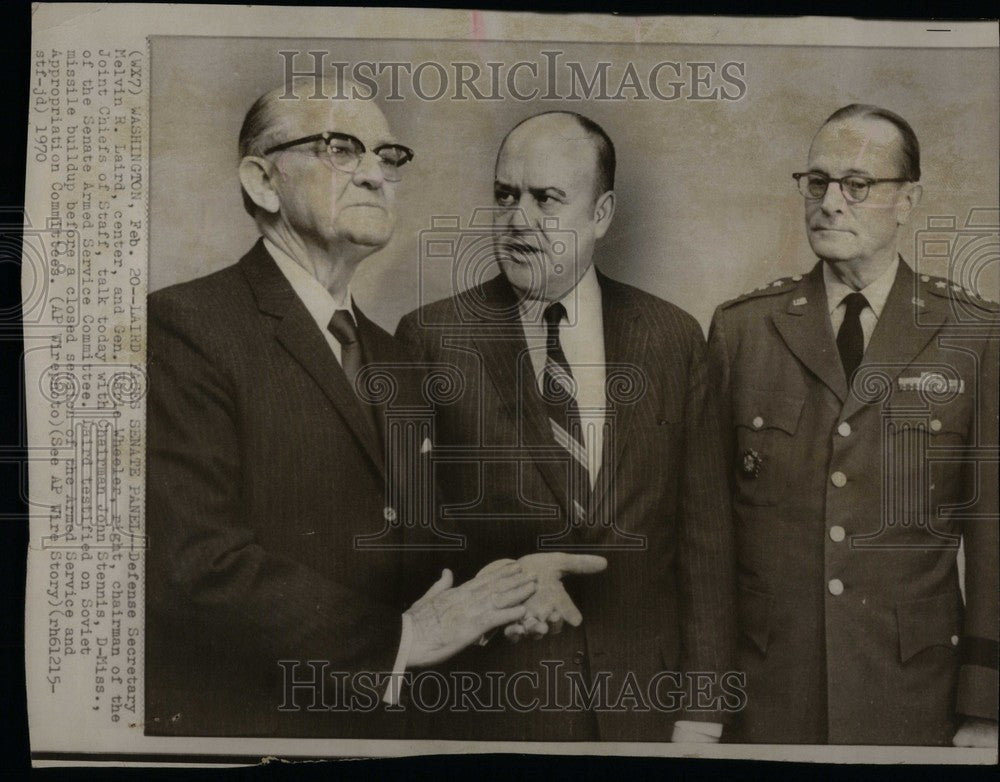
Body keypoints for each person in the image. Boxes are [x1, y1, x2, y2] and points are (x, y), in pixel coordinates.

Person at [144, 79, 546, 738]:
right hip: (251, 733)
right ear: (263, 180)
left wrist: (518, 584)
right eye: (341, 148)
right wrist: (400, 639)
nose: (375, 175)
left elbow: (419, 544)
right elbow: (197, 566)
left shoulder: (393, 357)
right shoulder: (185, 327)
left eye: (388, 158)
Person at [396, 111, 736, 742]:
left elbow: (706, 542)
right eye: (505, 196)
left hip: (648, 707)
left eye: (546, 198)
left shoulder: (673, 338)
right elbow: (413, 540)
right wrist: (514, 585)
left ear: (601, 213)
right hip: (494, 706)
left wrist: (704, 710)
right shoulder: (433, 338)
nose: (518, 219)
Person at [708, 104, 999, 746]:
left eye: (857, 185)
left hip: (913, 697)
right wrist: (704, 701)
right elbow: (710, 539)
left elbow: (994, 540)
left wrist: (988, 707)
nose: (831, 203)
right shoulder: (743, 331)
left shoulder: (973, 336)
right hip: (770, 694)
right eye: (818, 182)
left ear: (908, 200)